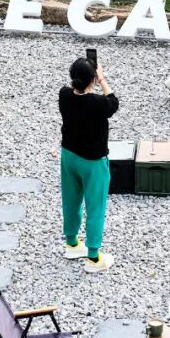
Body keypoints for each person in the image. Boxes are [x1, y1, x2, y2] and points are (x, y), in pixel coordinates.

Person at [58, 57, 119, 273]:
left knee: (71, 200)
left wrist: (90, 77)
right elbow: (113, 102)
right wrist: (101, 79)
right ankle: (93, 257)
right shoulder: (98, 103)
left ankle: (72, 243)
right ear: (91, 80)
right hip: (93, 162)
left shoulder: (64, 95)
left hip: (69, 156)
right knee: (95, 207)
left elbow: (74, 90)